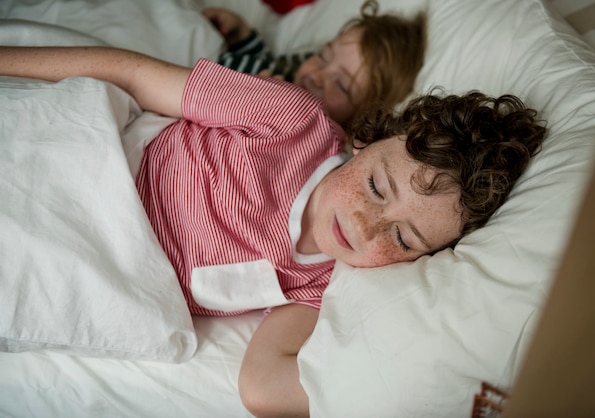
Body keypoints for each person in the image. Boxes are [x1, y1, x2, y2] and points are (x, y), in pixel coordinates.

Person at [0, 45, 546, 417]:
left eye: (402, 239)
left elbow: (262, 385)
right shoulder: (292, 121)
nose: (365, 223)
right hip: (97, 161)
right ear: (366, 141)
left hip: (99, 257)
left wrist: (435, 386)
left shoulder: (318, 285)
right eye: (378, 187)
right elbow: (136, 76)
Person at [203, 0, 427, 129]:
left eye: (340, 84)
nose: (317, 75)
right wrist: (242, 37)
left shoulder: (314, 135)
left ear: (363, 118)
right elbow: (271, 63)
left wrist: (257, 104)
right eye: (323, 56)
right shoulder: (293, 72)